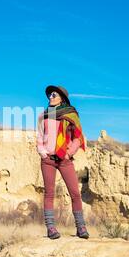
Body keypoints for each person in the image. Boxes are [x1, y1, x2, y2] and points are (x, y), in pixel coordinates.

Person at [36, 85, 89, 239]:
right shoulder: (43, 116)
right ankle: (51, 228)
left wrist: (68, 153)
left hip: (64, 160)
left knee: (75, 193)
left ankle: (81, 227)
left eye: (53, 95)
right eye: (49, 95)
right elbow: (40, 135)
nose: (50, 97)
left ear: (62, 98)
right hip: (48, 160)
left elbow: (78, 138)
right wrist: (42, 152)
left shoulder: (71, 115)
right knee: (49, 193)